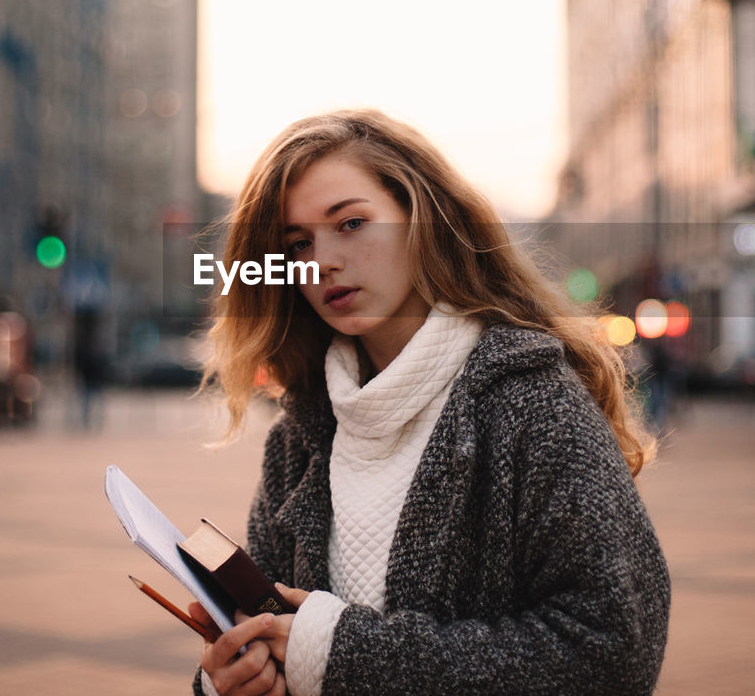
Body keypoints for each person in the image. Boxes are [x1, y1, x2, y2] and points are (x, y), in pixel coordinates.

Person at [187, 110, 670, 696]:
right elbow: (269, 632)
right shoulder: (301, 438)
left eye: (352, 224)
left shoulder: (532, 404)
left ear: (421, 218)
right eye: (297, 244)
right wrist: (233, 679)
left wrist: (336, 653)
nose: (322, 262)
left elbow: (611, 655)